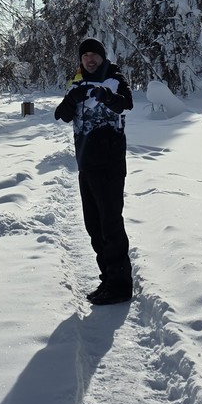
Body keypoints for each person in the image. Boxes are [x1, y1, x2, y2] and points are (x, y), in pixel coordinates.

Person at [54, 37, 134, 304]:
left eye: (94, 55)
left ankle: (121, 286)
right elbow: (62, 115)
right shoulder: (76, 81)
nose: (90, 60)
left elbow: (126, 103)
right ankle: (108, 279)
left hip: (110, 164)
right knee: (94, 226)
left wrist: (107, 96)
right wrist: (73, 97)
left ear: (102, 57)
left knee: (111, 225)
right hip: (86, 164)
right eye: (85, 55)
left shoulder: (114, 78)